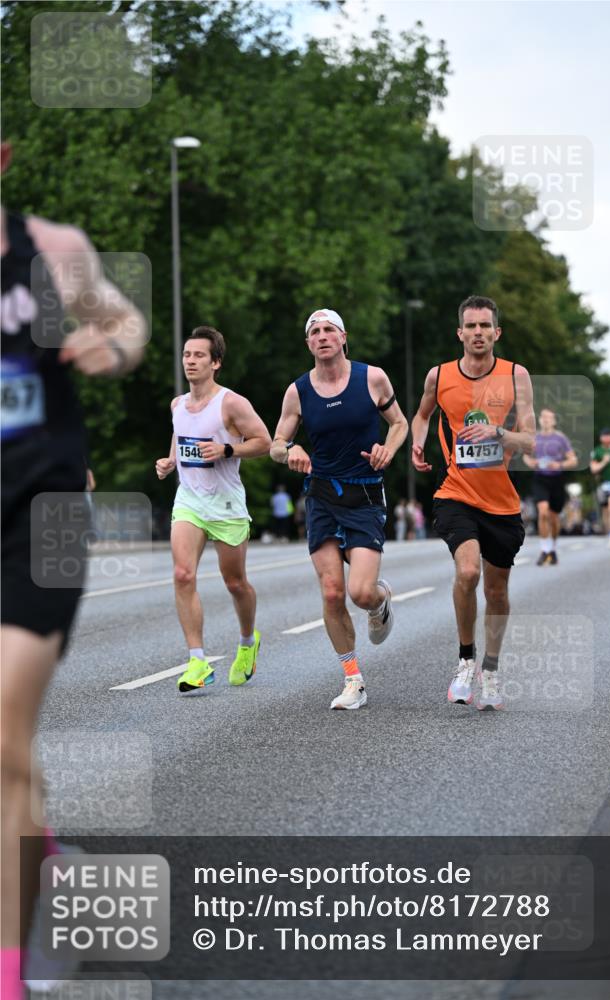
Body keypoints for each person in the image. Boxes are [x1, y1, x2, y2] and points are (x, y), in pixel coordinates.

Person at [1, 141, 145, 1000]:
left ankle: (8, 979)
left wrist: (112, 347)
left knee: (0, 738)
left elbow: (124, 320)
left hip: (40, 518)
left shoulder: (53, 250)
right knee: (9, 752)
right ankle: (45, 864)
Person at [270, 308, 408, 710]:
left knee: (359, 591)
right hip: (322, 497)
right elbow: (276, 441)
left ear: (344, 337)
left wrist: (389, 447)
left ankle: (380, 601)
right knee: (332, 593)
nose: (322, 336)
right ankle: (353, 681)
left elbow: (398, 423)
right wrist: (290, 451)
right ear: (309, 343)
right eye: (314, 331)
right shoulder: (299, 391)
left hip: (365, 494)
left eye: (329, 329)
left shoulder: (372, 378)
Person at [411, 295, 536, 711]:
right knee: (467, 572)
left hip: (501, 502)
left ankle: (492, 669)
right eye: (471, 326)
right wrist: (416, 441)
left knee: (497, 592)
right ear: (459, 332)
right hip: (456, 492)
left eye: (486, 326)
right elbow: (423, 414)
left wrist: (498, 435)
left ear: (496, 332)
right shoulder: (439, 376)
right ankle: (465, 661)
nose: (478, 333)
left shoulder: (516, 375)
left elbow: (532, 440)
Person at [156, 326, 271, 693]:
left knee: (235, 583)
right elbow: (181, 435)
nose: (191, 361)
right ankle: (197, 660)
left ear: (215, 362)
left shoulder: (231, 403)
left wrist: (226, 450)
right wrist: (171, 461)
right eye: (187, 355)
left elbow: (264, 442)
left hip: (225, 504)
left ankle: (247, 641)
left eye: (199, 355)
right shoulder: (178, 404)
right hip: (189, 501)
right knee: (183, 574)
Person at [521, 407, 577, 565]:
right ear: (539, 420)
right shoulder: (534, 438)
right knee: (543, 512)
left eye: (548, 417)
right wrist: (532, 462)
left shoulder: (560, 438)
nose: (545, 419)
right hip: (540, 479)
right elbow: (526, 456)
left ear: (554, 421)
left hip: (557, 480)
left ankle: (552, 548)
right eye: (543, 417)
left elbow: (573, 460)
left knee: (553, 517)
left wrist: (559, 464)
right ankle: (544, 550)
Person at [589, 428, 610, 548]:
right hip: (602, 484)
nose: (607, 438)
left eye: (609, 436)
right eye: (604, 436)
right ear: (601, 438)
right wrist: (604, 462)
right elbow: (593, 469)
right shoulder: (597, 451)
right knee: (605, 512)